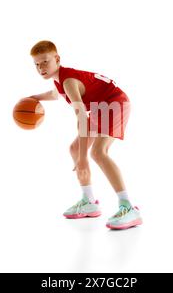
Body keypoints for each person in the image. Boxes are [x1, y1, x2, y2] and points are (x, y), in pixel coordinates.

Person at [28, 40, 142, 230]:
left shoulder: (69, 82)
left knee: (98, 152)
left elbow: (80, 116)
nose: (41, 68)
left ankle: (128, 207)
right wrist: (33, 98)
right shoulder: (60, 79)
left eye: (45, 62)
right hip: (100, 106)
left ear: (57, 59)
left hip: (114, 103)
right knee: (74, 148)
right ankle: (88, 200)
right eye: (37, 64)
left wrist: (82, 159)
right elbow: (55, 93)